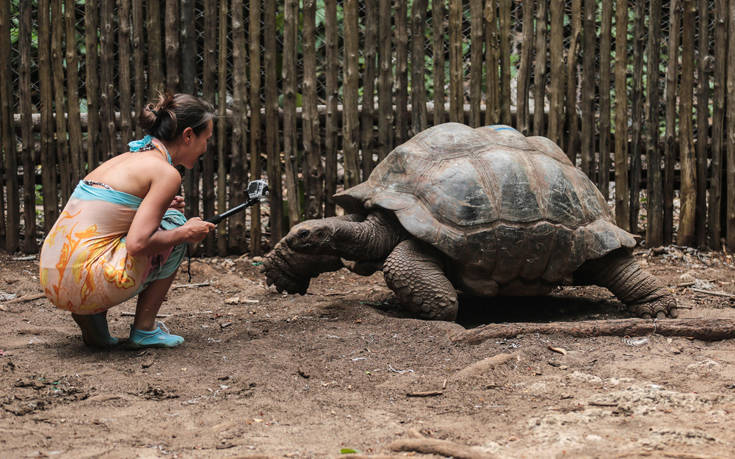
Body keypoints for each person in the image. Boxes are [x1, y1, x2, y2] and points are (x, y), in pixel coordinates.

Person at [39, 93, 216, 349]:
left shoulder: (129, 158)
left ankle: (91, 317)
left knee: (166, 218)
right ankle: (144, 330)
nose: (206, 148)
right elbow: (137, 243)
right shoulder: (166, 173)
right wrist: (187, 232)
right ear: (188, 135)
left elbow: (110, 218)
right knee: (176, 222)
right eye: (206, 139)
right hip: (86, 280)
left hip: (53, 278)